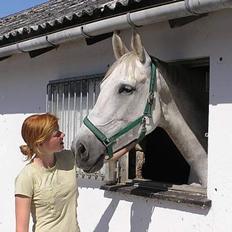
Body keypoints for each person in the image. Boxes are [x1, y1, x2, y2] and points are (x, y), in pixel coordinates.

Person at [15, 113, 80, 232]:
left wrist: (125, 145)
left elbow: (104, 157)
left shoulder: (68, 158)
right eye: (56, 133)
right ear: (40, 142)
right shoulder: (27, 177)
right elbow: (21, 229)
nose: (63, 134)